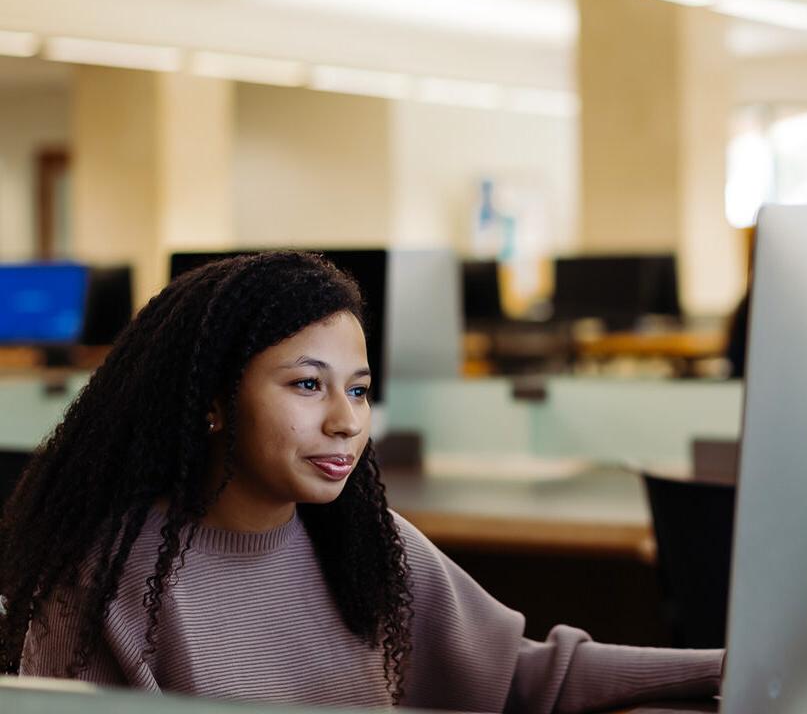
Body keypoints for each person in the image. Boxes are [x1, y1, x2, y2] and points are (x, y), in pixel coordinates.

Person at [0, 252, 722, 711]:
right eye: (308, 386)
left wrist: (731, 668)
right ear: (212, 402)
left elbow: (528, 679)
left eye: (360, 389)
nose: (347, 421)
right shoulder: (104, 580)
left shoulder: (367, 544)